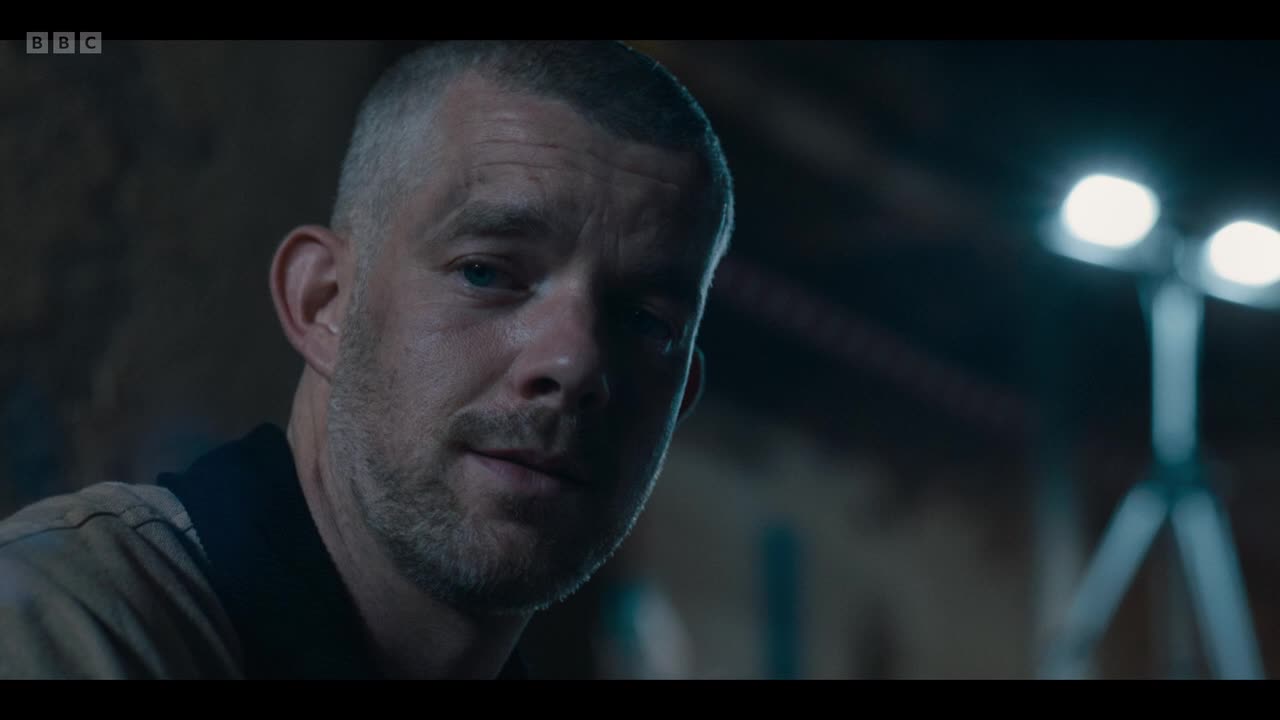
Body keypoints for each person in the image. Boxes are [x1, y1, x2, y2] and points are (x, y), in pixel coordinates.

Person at [0, 40, 734, 679]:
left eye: (646, 320)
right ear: (323, 301)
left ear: (682, 398)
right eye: (486, 271)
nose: (575, 362)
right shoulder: (66, 625)